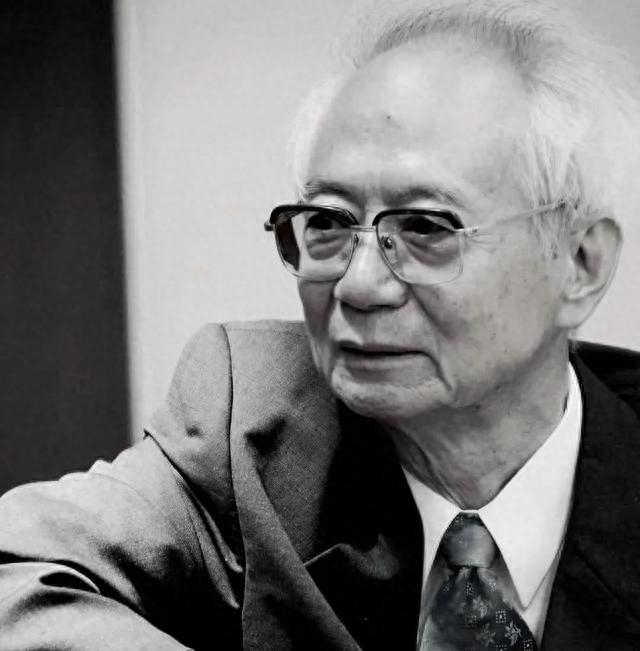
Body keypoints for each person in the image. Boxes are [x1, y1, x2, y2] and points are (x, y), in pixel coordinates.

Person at [1, 0, 640, 649]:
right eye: (329, 223)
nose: (357, 284)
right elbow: (14, 571)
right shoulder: (254, 426)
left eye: (425, 227)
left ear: (580, 264)